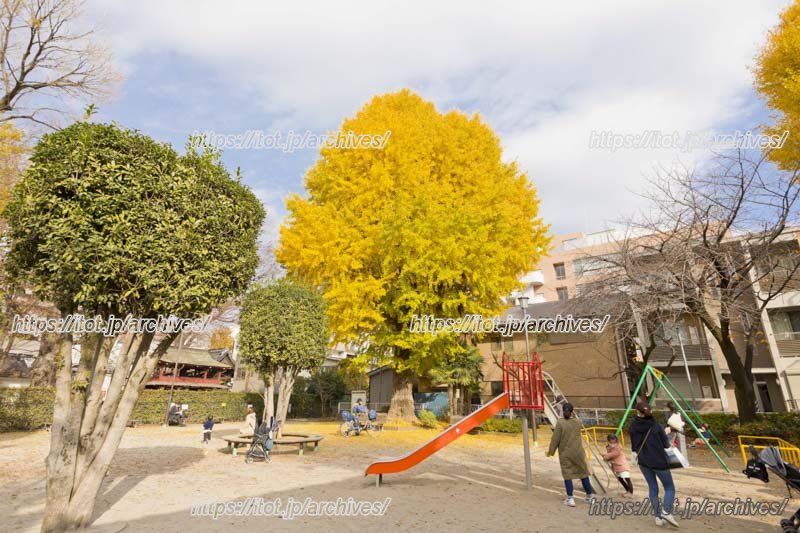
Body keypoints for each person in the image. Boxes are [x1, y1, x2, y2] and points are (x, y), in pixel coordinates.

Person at [630, 401, 679, 528]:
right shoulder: (656, 426)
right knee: (669, 487)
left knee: (653, 487)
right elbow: (666, 444)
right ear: (650, 411)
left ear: (637, 412)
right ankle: (666, 512)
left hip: (643, 462)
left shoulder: (633, 426)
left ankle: (657, 517)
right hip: (658, 461)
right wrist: (665, 433)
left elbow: (634, 445)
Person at [546, 402, 595, 507]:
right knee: (583, 474)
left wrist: (551, 451)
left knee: (567, 475)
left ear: (563, 411)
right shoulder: (578, 422)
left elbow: (555, 439)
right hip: (578, 452)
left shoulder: (560, 423)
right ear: (572, 411)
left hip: (565, 452)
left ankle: (570, 498)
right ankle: (589, 496)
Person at [602, 433, 633, 498]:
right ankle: (627, 490)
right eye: (611, 441)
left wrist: (605, 456)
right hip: (616, 465)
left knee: (627, 478)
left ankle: (631, 492)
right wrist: (606, 455)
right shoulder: (609, 447)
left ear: (616, 440)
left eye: (614, 440)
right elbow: (610, 455)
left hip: (622, 465)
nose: (612, 443)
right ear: (609, 441)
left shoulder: (618, 446)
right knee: (620, 478)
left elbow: (614, 454)